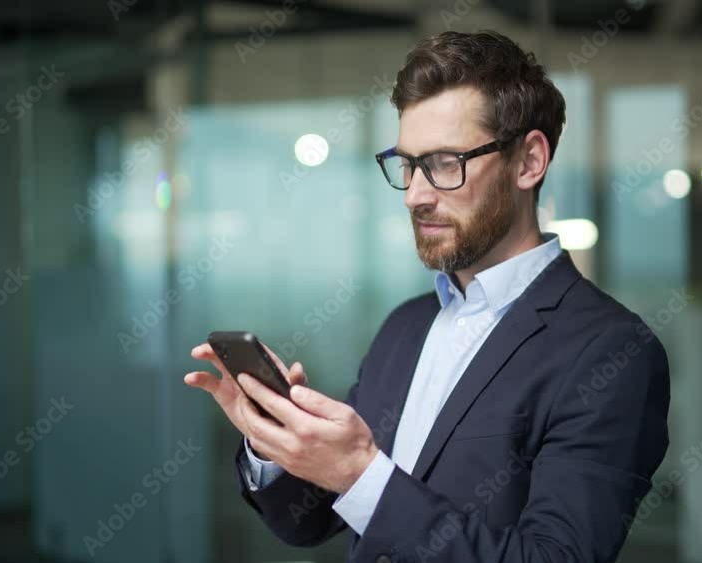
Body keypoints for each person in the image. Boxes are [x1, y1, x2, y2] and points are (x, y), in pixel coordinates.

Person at [185, 29, 670, 563]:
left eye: (444, 163)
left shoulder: (612, 352)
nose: (416, 195)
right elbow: (315, 518)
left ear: (529, 161)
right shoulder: (407, 326)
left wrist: (361, 473)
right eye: (409, 164)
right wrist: (275, 442)